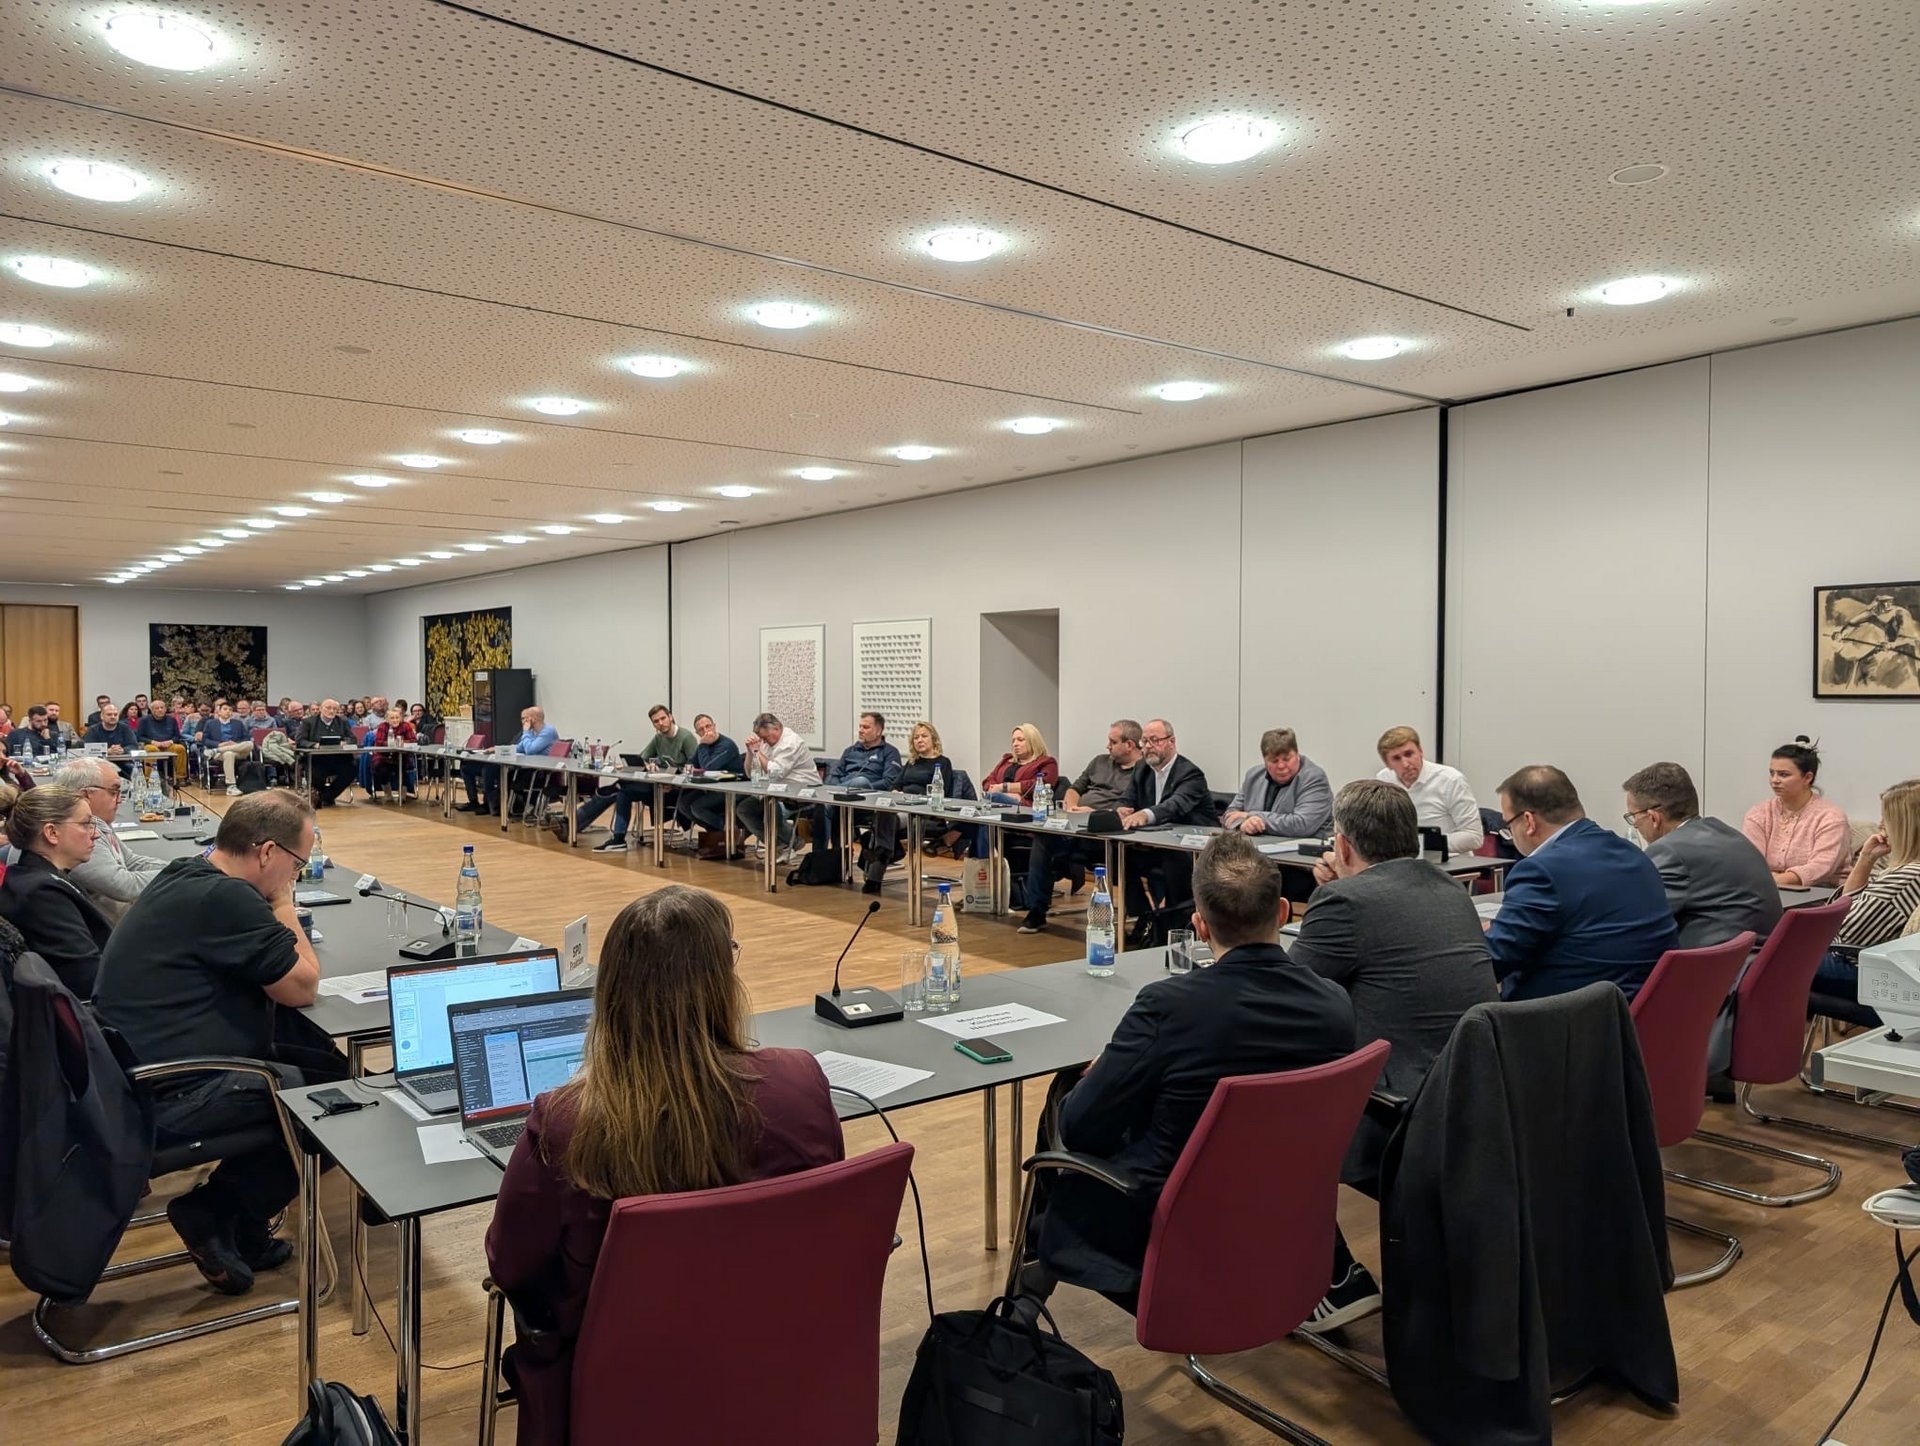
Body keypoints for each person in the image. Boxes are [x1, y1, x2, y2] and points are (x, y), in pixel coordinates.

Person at [485, 886, 844, 1445]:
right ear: (722, 980)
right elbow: (821, 1220)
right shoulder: (799, 1082)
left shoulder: (566, 1122)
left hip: (621, 1393)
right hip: (779, 1372)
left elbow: (510, 1263)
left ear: (612, 989)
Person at [1014, 832, 1354, 1310]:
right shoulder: (1335, 1005)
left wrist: (1107, 1069)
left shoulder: (1167, 1007)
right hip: (1280, 1214)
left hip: (1169, 1222)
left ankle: (1028, 1289)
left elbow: (1079, 1127)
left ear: (1199, 926)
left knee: (1067, 1092)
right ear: (1283, 912)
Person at [93, 790, 347, 1295]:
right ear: (268, 853)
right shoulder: (227, 898)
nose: (295, 874)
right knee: (334, 1106)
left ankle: (244, 1228)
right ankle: (213, 1210)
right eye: (297, 863)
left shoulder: (188, 872)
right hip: (173, 1089)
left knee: (328, 1066)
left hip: (131, 1070)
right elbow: (302, 987)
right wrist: (283, 904)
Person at [1287, 780, 1496, 1333]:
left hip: (1399, 1116)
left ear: (1342, 845)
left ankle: (1332, 1280)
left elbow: (1287, 996)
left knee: (1262, 1104)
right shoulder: (1450, 889)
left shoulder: (1344, 903)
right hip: (1479, 1103)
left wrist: (1336, 893)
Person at [1487, 765, 1678, 1001]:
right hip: (1643, 1009)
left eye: (1508, 825)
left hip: (1569, 1016)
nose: (1510, 833)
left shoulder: (1540, 871)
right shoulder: (1632, 853)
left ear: (1528, 821)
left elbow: (1494, 961)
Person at [1622, 762, 1781, 949]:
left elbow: (1637, 919)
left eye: (1633, 816)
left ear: (1653, 818)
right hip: (1761, 959)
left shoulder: (1669, 851)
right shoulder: (1727, 833)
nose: (1635, 825)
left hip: (1724, 963)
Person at [1019, 720, 1142, 934]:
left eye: (1113, 742)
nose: (1107, 746)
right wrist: (1072, 807)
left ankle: (1141, 917)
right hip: (1076, 827)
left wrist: (1093, 813)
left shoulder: (1143, 771)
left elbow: (1131, 808)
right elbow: (1075, 788)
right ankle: (1037, 911)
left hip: (1110, 834)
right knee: (1043, 840)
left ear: (1130, 745)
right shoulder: (1099, 762)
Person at [1814, 778, 1920, 1010]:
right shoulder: (1908, 872)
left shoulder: (1908, 877)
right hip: (1873, 967)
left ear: (1905, 826)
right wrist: (1866, 860)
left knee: (1764, 965)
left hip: (1866, 972)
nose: (1881, 825)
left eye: (1886, 818)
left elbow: (1841, 931)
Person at [0, 785, 114, 997]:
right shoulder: (42, 895)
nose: (95, 834)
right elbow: (87, 977)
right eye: (86, 824)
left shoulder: (31, 877)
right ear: (52, 833)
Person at [1117, 718, 1217, 931]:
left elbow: (1174, 806)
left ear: (1172, 742)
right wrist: (1122, 808)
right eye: (1145, 741)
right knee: (1120, 855)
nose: (1148, 746)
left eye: (1155, 740)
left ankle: (1174, 925)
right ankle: (1145, 916)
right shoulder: (1142, 768)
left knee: (1174, 860)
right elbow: (1127, 798)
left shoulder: (1190, 773)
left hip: (1191, 849)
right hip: (1157, 845)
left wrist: (1145, 814)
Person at [557, 704, 695, 851]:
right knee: (621, 789)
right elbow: (643, 757)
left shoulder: (685, 737)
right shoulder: (658, 738)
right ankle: (608, 835)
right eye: (656, 721)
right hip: (657, 785)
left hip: (676, 790)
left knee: (619, 789)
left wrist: (673, 782)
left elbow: (695, 769)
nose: (660, 723)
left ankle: (575, 823)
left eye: (663, 718)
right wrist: (648, 764)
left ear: (670, 717)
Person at [57, 758, 165, 922]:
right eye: (113, 792)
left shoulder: (97, 822)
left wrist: (185, 865)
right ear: (85, 795)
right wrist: (181, 872)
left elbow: (131, 861)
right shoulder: (76, 834)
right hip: (116, 929)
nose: (119, 799)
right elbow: (124, 886)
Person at [807, 712, 903, 892]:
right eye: (860, 726)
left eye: (865, 727)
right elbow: (834, 775)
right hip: (841, 801)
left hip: (868, 803)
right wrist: (839, 790)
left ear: (879, 730)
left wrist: (858, 788)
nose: (860, 730)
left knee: (860, 782)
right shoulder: (850, 751)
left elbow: (889, 782)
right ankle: (819, 862)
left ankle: (836, 797)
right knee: (822, 805)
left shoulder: (890, 752)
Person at [1741, 738, 1852, 888]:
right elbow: (1751, 862)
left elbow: (1821, 866)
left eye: (1783, 775)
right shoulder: (1758, 813)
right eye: (1772, 773)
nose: (1774, 780)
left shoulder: (1831, 817)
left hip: (1823, 892)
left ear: (1807, 778)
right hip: (1768, 889)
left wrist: (1778, 880)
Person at [1375, 725, 1484, 855]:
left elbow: (1474, 836)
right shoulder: (1384, 780)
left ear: (1421, 751)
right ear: (1387, 764)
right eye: (1396, 758)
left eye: (1409, 754)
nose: (1406, 764)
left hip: (1449, 860)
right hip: (1404, 860)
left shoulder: (1451, 780)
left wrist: (1424, 844)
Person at [1223, 727, 1333, 838]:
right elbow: (1230, 815)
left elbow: (1303, 824)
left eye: (1287, 759)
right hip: (1255, 845)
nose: (1281, 766)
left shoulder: (1314, 778)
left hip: (1303, 846)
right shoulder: (1253, 776)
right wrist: (1243, 824)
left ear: (1297, 755)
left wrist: (1252, 816)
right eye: (1274, 761)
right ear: (1265, 761)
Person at [736, 712, 813, 858]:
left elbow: (775, 772)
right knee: (744, 809)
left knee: (772, 809)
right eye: (762, 739)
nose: (764, 742)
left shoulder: (791, 743)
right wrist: (750, 752)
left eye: (766, 738)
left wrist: (757, 751)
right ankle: (781, 845)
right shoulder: (766, 743)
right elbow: (750, 773)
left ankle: (792, 842)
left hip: (800, 792)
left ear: (777, 728)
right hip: (775, 792)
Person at [459, 706, 558, 815]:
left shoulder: (548, 731)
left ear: (534, 718)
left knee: (490, 770)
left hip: (537, 772)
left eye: (525, 718)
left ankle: (493, 805)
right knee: (479, 768)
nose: (523, 722)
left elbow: (530, 750)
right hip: (524, 766)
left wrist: (526, 732)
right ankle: (489, 804)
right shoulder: (532, 733)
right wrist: (497, 749)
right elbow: (518, 747)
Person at [676, 714, 746, 858]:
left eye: (708, 726)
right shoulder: (703, 746)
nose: (706, 731)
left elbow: (708, 767)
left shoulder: (726, 745)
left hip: (733, 788)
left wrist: (702, 745)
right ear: (697, 733)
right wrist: (691, 767)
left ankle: (729, 830)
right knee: (684, 804)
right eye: (701, 729)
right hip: (711, 787)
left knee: (698, 807)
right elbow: (690, 765)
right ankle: (716, 833)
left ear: (714, 726)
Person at [296, 697, 356, 807]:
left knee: (352, 769)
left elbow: (352, 739)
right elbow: (300, 741)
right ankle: (324, 797)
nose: (332, 711)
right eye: (328, 708)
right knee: (316, 774)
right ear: (321, 709)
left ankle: (325, 797)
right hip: (316, 759)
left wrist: (345, 742)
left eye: (334, 709)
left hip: (338, 759)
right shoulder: (308, 722)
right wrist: (314, 745)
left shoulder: (342, 721)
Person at [980, 723, 1058, 805]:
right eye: (1013, 741)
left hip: (1025, 804)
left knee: (993, 798)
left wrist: (1005, 787)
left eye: (1020, 740)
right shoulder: (1006, 760)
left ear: (1033, 742)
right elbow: (988, 781)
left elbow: (1041, 784)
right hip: (998, 800)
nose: (1015, 744)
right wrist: (997, 790)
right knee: (986, 797)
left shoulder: (1047, 762)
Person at [204, 699, 254, 794]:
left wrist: (235, 744)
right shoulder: (210, 723)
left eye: (230, 710)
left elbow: (246, 738)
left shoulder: (238, 723)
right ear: (219, 712)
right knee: (229, 754)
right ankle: (231, 786)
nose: (228, 711)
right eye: (225, 709)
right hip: (222, 754)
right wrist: (219, 744)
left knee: (250, 744)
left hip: (237, 750)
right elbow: (205, 740)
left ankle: (216, 750)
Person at [368, 705, 417, 799]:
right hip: (384, 756)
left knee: (402, 766)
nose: (395, 720)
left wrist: (400, 742)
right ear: (387, 719)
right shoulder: (383, 726)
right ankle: (387, 792)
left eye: (397, 717)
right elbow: (379, 742)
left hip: (401, 755)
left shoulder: (406, 726)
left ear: (401, 718)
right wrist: (392, 743)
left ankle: (403, 792)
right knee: (380, 767)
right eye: (392, 718)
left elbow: (413, 740)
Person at [136, 698, 189, 782]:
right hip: (152, 744)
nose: (160, 710)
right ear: (152, 710)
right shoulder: (144, 720)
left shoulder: (172, 720)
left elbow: (177, 736)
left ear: (165, 709)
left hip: (168, 744)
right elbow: (139, 737)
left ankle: (180, 777)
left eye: (162, 707)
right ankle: (149, 779)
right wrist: (153, 742)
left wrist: (170, 741)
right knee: (151, 750)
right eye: (157, 708)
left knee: (180, 748)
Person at [81, 702, 138, 776]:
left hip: (123, 763)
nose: (113, 717)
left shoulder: (125, 728)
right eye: (109, 714)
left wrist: (122, 750)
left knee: (134, 770)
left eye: (115, 714)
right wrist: (106, 751)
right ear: (102, 716)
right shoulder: (93, 730)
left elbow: (133, 745)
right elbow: (88, 749)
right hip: (99, 764)